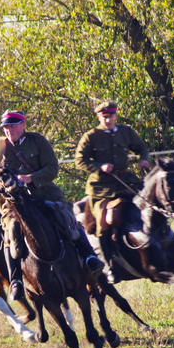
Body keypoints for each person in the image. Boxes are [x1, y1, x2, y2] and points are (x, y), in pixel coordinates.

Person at [0, 110, 105, 300]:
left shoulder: (37, 141)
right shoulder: (0, 147)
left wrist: (30, 178)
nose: (8, 130)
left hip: (44, 194)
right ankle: (16, 281)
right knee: (9, 232)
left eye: (12, 126)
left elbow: (53, 168)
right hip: (17, 204)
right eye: (6, 127)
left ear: (23, 125)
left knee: (66, 219)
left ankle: (89, 258)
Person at [74, 101, 150, 283]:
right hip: (101, 187)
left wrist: (143, 159)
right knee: (103, 222)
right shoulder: (91, 136)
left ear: (116, 115)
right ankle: (109, 267)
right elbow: (79, 160)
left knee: (151, 204)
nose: (108, 120)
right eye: (105, 117)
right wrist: (99, 166)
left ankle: (167, 247)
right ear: (99, 117)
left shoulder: (126, 131)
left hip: (125, 181)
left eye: (111, 116)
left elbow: (141, 147)